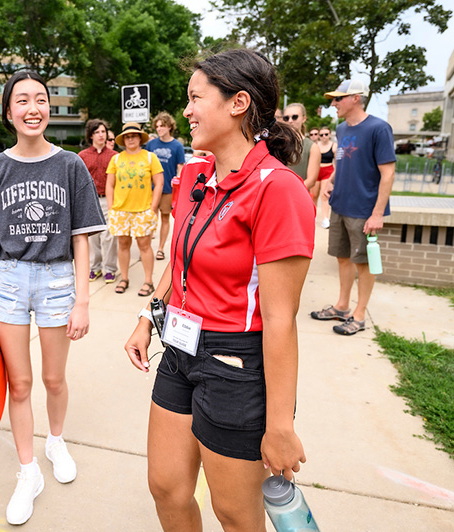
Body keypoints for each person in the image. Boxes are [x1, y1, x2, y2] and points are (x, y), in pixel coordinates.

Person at [125, 48, 314, 532]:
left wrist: (280, 424)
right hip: (180, 349)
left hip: (236, 363)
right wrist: (149, 317)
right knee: (165, 487)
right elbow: (179, 260)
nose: (185, 111)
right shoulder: (195, 173)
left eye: (195, 98)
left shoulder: (278, 189)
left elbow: (279, 319)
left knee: (234, 513)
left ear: (238, 104)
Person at [0, 71, 105, 526]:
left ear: (50, 108)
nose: (33, 108)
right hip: (8, 280)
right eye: (23, 101)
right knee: (21, 383)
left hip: (56, 279)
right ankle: (28, 471)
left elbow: (82, 236)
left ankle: (57, 440)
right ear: (8, 111)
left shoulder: (70, 165)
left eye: (41, 100)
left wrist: (82, 300)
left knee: (53, 378)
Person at [311, 79, 395, 335]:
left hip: (364, 210)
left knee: (364, 263)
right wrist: (330, 182)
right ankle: (342, 306)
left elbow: (388, 174)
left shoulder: (379, 129)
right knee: (343, 258)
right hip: (340, 205)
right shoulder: (342, 129)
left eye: (338, 99)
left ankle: (359, 316)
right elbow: (341, 163)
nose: (333, 103)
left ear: (355, 98)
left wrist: (377, 213)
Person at [106, 123, 164, 296]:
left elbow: (159, 183)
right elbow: (110, 185)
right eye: (127, 136)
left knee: (144, 245)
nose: (130, 138)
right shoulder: (116, 159)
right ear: (123, 139)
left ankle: (148, 281)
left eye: (134, 135)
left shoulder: (149, 158)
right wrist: (111, 208)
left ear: (140, 138)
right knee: (123, 245)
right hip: (121, 211)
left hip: (143, 210)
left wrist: (153, 208)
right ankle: (124, 278)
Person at [78, 119, 118, 283]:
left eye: (103, 131)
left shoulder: (115, 157)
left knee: (109, 236)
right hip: (90, 201)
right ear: (91, 135)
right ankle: (95, 268)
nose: (101, 135)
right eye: (97, 132)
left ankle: (109, 269)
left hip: (109, 200)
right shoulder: (83, 156)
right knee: (92, 237)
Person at [146, 112, 185, 261]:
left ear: (169, 127)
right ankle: (147, 246)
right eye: (157, 126)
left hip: (168, 189)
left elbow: (180, 167)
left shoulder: (177, 146)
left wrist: (177, 182)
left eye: (162, 126)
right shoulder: (151, 144)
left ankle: (160, 248)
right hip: (151, 188)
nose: (159, 129)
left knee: (165, 218)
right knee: (150, 217)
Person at [283, 103, 321, 191]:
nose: (290, 120)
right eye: (286, 118)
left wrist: (291, 192)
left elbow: (311, 180)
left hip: (298, 195)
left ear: (304, 119)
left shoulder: (312, 147)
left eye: (294, 117)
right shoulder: (277, 143)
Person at [313, 125, 336, 228]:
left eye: (326, 134)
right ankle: (312, 216)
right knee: (314, 195)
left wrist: (334, 175)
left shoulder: (333, 146)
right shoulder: (316, 145)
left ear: (329, 134)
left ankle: (325, 218)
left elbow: (337, 162)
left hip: (328, 171)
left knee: (324, 195)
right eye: (321, 135)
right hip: (317, 170)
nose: (324, 136)